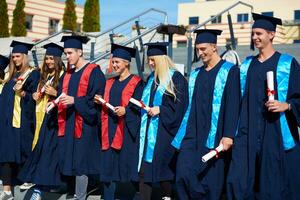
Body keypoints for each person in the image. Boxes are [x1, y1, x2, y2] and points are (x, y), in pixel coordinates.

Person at [227, 13, 300, 200]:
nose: (255, 38)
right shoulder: (246, 66)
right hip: (247, 134)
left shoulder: (287, 64)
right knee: (241, 181)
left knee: (273, 184)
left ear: (272, 34)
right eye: (253, 34)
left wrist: (288, 105)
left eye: (259, 33)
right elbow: (236, 101)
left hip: (274, 134)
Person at [173, 29, 240, 200]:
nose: (200, 53)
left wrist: (228, 135)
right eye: (197, 49)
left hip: (215, 134)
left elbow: (233, 105)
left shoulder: (230, 71)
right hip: (192, 133)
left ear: (214, 47)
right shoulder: (196, 74)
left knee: (209, 181)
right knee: (183, 173)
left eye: (203, 49)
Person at [57, 35, 105, 200]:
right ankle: (73, 190)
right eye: (65, 53)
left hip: (85, 124)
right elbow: (60, 93)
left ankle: (81, 195)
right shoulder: (68, 74)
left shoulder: (94, 72)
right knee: (70, 157)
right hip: (69, 122)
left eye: (70, 53)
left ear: (80, 52)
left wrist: (75, 101)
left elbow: (96, 99)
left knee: (81, 161)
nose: (67, 56)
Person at [138, 42, 188, 200]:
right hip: (148, 133)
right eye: (149, 60)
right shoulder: (151, 79)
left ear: (161, 59)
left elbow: (180, 108)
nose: (151, 63)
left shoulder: (176, 78)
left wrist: (161, 109)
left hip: (165, 134)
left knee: (164, 173)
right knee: (144, 172)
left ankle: (168, 196)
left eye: (153, 60)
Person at [94, 44, 143, 200]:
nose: (114, 65)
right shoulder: (109, 82)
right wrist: (99, 100)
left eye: (117, 62)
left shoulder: (137, 82)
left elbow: (139, 105)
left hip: (127, 131)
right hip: (109, 129)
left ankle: (138, 194)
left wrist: (126, 110)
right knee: (108, 168)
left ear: (127, 63)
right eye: (113, 62)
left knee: (128, 165)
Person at [18, 43, 65, 200]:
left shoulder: (64, 76)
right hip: (39, 118)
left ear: (58, 60)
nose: (48, 61)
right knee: (40, 152)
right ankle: (39, 184)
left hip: (53, 121)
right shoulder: (42, 76)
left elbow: (66, 96)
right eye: (47, 58)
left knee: (47, 154)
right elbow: (34, 94)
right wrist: (33, 96)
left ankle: (39, 188)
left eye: (52, 58)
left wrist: (56, 92)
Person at [0, 41, 40, 200]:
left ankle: (28, 179)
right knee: (5, 154)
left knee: (23, 151)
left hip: (22, 122)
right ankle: (7, 191)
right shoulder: (10, 75)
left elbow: (34, 98)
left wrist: (22, 92)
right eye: (13, 56)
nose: (15, 59)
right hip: (6, 122)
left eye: (18, 56)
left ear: (24, 56)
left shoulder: (33, 74)